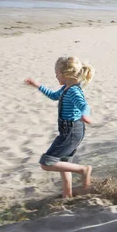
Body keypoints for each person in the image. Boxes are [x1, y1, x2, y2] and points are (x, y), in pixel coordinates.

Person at [25, 56, 95, 198]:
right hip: (71, 130)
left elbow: (84, 105)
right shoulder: (66, 88)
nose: (55, 76)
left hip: (71, 131)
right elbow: (54, 96)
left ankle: (83, 170)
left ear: (65, 74)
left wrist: (85, 115)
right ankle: (67, 194)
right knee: (63, 163)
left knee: (47, 163)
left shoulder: (73, 91)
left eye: (56, 73)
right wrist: (37, 86)